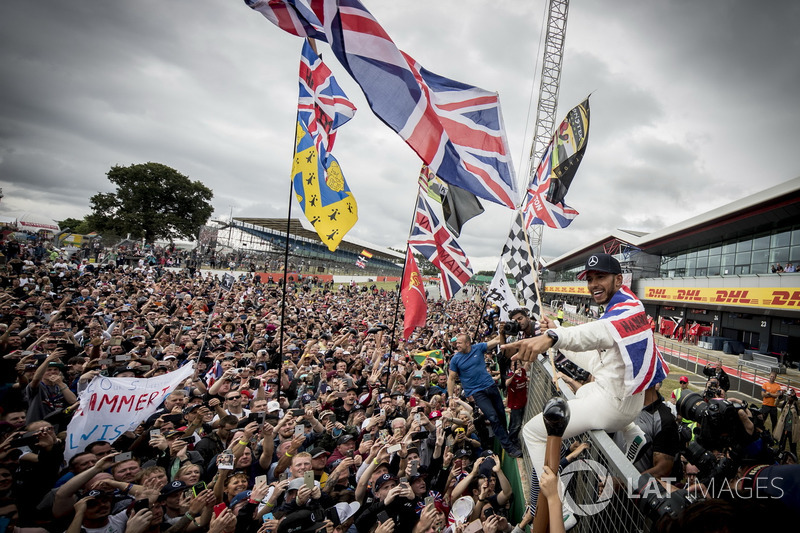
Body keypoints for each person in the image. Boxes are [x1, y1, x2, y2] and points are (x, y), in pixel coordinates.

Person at [508, 254, 668, 494]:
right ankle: (633, 432)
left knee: (532, 431)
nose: (594, 284)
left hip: (614, 406)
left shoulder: (621, 311)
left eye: (601, 277)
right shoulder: (629, 304)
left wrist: (552, 337)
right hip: (628, 403)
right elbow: (594, 356)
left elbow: (593, 333)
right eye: (590, 278)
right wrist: (558, 332)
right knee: (584, 388)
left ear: (618, 279)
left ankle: (558, 502)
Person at [448, 333, 523, 458]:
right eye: (456, 343)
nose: (457, 345)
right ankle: (509, 447)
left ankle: (509, 440)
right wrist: (450, 397)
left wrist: (503, 331)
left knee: (500, 414)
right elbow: (451, 378)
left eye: (459, 343)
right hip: (477, 392)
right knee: (493, 417)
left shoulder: (478, 347)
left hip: (491, 386)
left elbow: (497, 340)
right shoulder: (455, 359)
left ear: (468, 343)